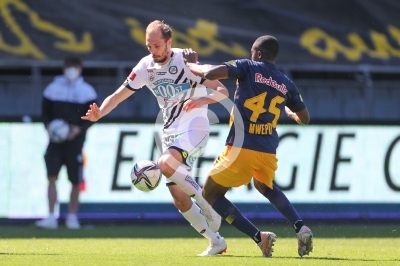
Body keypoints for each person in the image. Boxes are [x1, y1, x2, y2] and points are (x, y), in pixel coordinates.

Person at [81, 20, 228, 256]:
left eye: (157, 45)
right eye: (149, 46)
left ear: (169, 42)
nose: (153, 50)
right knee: (179, 198)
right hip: (171, 133)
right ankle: (216, 241)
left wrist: (202, 100)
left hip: (195, 126)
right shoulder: (145, 67)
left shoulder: (186, 61)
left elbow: (222, 91)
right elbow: (118, 96)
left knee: (164, 164)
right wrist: (101, 114)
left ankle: (206, 203)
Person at [185, 35, 313, 258]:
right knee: (265, 187)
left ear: (259, 54)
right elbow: (305, 118)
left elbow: (211, 73)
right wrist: (291, 113)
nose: (251, 54)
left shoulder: (247, 66)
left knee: (209, 193)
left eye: (253, 51)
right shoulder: (286, 83)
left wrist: (191, 64)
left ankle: (258, 237)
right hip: (267, 150)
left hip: (241, 147)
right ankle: (300, 226)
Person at [35, 56, 98, 229]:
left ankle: (71, 217)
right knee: (51, 177)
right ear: (64, 68)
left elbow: (93, 117)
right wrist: (49, 127)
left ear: (80, 68)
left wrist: (78, 129)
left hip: (75, 143)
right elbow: (45, 113)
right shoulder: (53, 88)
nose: (71, 70)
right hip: (55, 142)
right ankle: (50, 216)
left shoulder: (87, 91)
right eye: (69, 66)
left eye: (75, 66)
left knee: (76, 180)